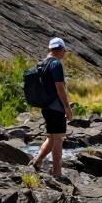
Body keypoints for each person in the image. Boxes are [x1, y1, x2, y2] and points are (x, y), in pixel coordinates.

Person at [31, 37, 73, 179]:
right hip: (56, 106)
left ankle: (36, 162)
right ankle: (56, 172)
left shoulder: (40, 64)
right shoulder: (56, 64)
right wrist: (67, 108)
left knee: (51, 137)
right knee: (58, 139)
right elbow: (59, 88)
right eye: (64, 51)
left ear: (49, 49)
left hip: (45, 105)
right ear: (61, 50)